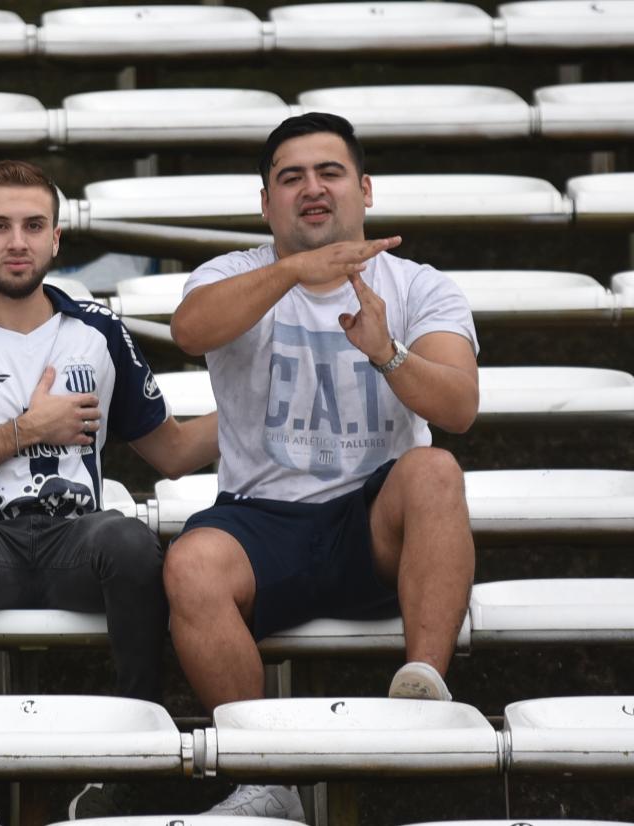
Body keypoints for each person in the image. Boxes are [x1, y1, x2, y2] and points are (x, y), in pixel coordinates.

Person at [165, 112, 479, 820]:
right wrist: (292, 272)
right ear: (266, 202)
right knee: (190, 564)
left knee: (435, 470)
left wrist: (388, 353)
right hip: (261, 518)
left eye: (330, 172)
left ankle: (422, 692)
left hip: (373, 520)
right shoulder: (233, 273)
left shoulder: (418, 285)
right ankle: (262, 780)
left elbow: (459, 406)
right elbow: (190, 331)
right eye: (291, 177)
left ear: (364, 191)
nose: (312, 189)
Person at [0, 159, 220, 823]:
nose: (17, 240)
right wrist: (23, 431)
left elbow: (176, 453)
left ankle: (137, 759)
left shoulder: (98, 331)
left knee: (128, 535)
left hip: (78, 545)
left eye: (33, 225)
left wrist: (258, 400)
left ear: (56, 239)